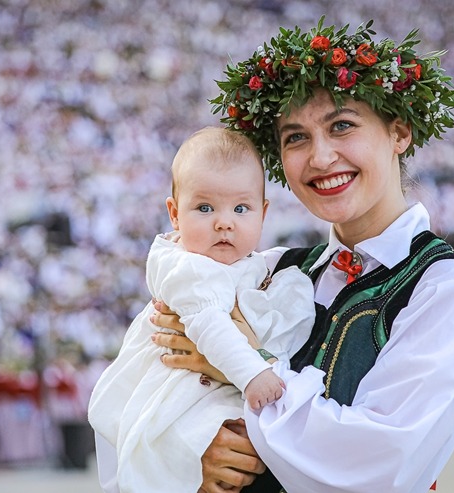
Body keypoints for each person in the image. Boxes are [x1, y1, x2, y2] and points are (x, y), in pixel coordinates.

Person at [97, 17, 454, 493]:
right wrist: (193, 448)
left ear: (400, 132)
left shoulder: (451, 291)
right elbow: (134, 388)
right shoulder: (268, 268)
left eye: (342, 125)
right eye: (295, 137)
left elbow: (384, 464)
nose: (319, 158)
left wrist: (245, 364)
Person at [88, 127, 315, 492]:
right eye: (205, 208)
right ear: (175, 214)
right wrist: (254, 372)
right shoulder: (188, 268)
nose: (224, 222)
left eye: (241, 208)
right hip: (178, 385)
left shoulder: (251, 264)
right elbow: (212, 327)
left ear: (263, 213)